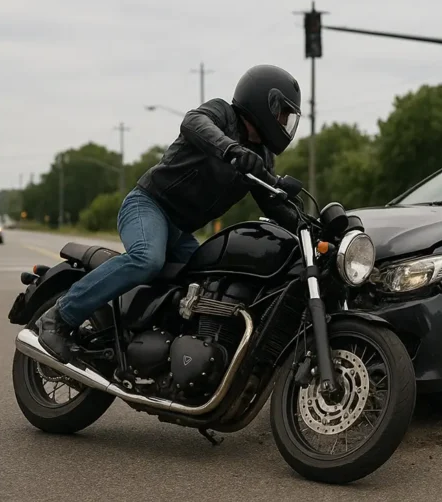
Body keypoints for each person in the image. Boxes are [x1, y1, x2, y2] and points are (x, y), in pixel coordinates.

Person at [36, 64, 304, 363]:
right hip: (148, 204)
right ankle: (59, 316)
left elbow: (272, 203)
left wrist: (310, 226)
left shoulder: (261, 157)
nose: (283, 121)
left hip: (179, 231)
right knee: (147, 259)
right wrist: (230, 149)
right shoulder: (221, 114)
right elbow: (194, 123)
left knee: (208, 286)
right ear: (262, 101)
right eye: (281, 112)